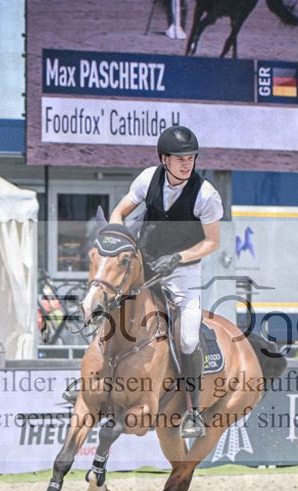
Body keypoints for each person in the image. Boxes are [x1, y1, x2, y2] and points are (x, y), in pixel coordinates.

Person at [110, 125, 223, 438]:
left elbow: (212, 243)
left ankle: (194, 412)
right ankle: (91, 379)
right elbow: (118, 212)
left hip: (183, 276)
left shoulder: (206, 195)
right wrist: (119, 241)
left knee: (187, 338)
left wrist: (179, 258)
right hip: (145, 267)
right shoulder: (148, 179)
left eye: (191, 158)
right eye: (180, 158)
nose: (187, 163)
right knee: (107, 306)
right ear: (164, 159)